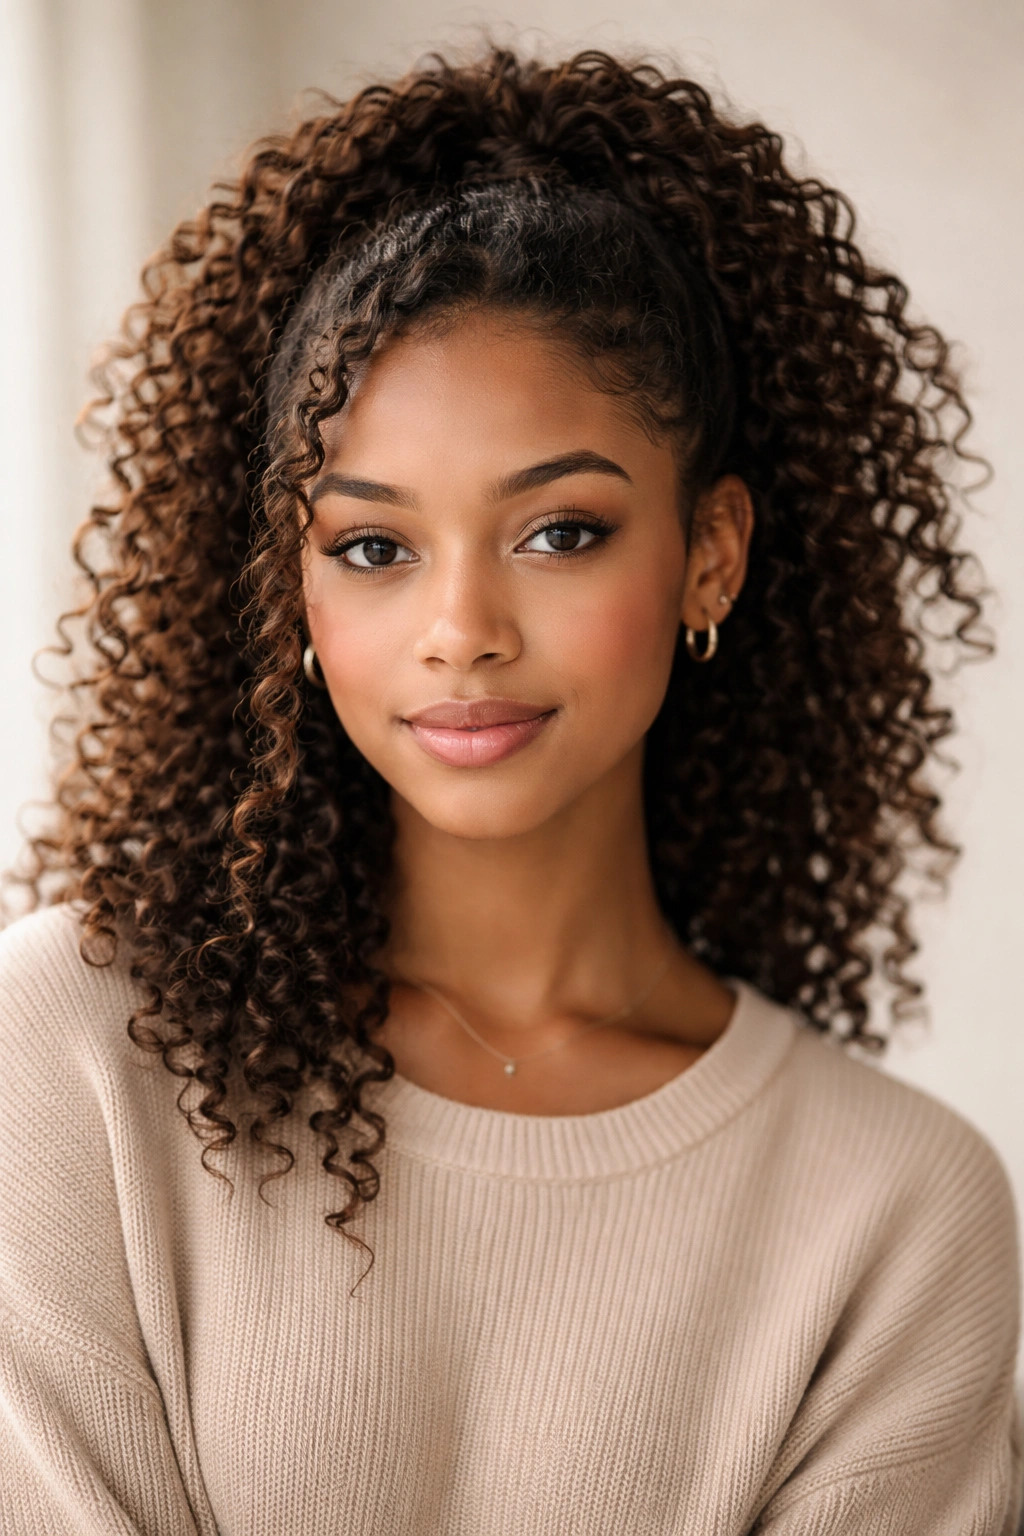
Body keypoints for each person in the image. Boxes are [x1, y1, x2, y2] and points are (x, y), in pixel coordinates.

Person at [0, 46, 1019, 1536]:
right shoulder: (75, 1058)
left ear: (710, 555)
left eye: (558, 532)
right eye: (372, 547)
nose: (461, 626)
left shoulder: (898, 1215)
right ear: (289, 585)